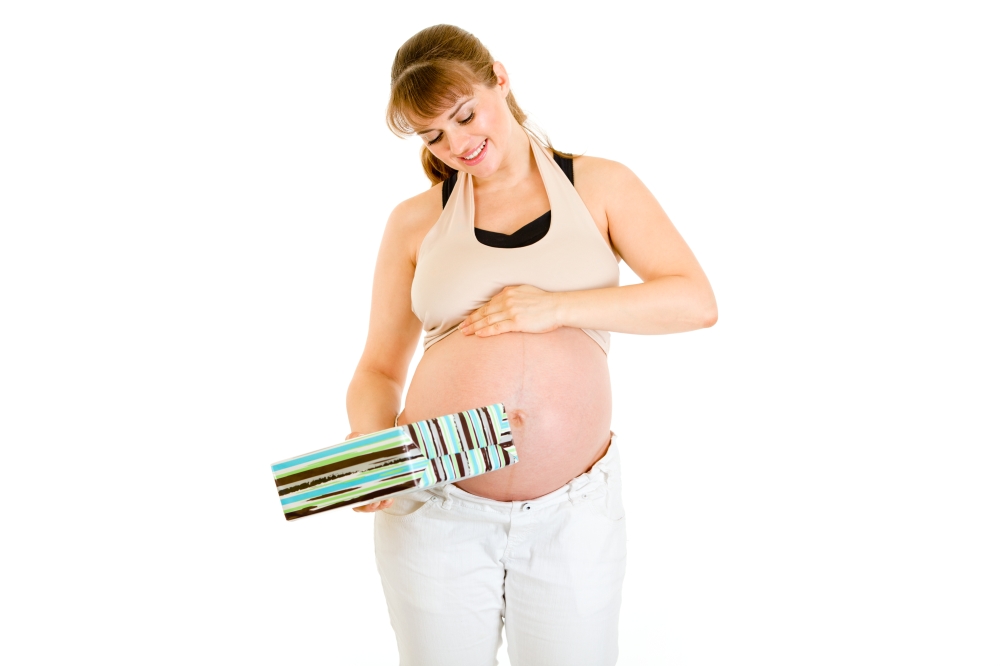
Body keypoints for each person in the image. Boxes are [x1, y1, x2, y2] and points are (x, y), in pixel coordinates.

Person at [345, 24, 717, 666]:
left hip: (573, 514)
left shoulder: (600, 185)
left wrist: (557, 308)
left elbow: (694, 301)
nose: (457, 143)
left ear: (500, 76)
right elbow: (379, 367)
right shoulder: (414, 221)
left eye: (464, 115)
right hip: (437, 506)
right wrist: (368, 443)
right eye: (434, 135)